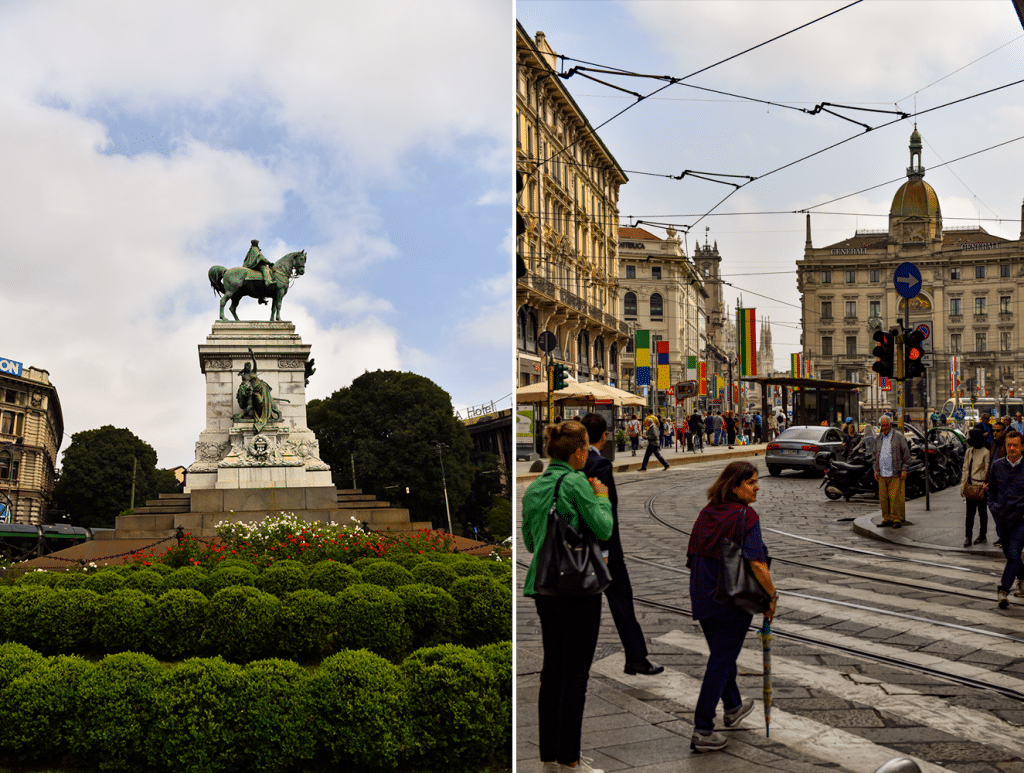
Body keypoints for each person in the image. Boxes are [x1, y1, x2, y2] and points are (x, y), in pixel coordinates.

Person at [522, 420, 613, 773]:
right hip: (578, 588)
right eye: (588, 448)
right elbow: (603, 528)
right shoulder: (577, 483)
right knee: (576, 675)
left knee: (553, 672)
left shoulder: (534, 487)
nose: (589, 454)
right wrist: (601, 499)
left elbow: (531, 543)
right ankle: (570, 760)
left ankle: (549, 758)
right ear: (578, 452)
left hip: (544, 586)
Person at [686, 461, 776, 753]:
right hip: (729, 598)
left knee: (721, 655)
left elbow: (693, 553)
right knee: (721, 661)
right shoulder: (745, 516)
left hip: (702, 593)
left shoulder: (708, 511)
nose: (756, 487)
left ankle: (734, 706)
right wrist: (771, 596)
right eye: (751, 482)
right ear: (735, 486)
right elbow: (757, 563)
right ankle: (702, 728)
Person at [581, 414, 664, 679]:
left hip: (579, 549)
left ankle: (572, 660)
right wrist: (606, 549)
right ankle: (636, 657)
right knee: (621, 602)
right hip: (606, 548)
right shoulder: (599, 464)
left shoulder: (575, 464)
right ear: (604, 436)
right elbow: (608, 508)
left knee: (581, 607)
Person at [987, 429, 1024, 608]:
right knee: (1011, 555)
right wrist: (993, 507)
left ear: (1022, 447)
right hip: (1002, 518)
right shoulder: (998, 466)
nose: (1012, 448)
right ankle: (1023, 581)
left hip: (1021, 519)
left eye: (1015, 445)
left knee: (1014, 553)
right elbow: (991, 490)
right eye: (1009, 445)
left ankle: (1003, 590)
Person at [871, 416, 911, 528]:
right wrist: (875, 470)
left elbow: (906, 455)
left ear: (890, 425)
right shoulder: (879, 438)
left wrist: (904, 469)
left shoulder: (899, 437)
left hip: (895, 473)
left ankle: (896, 519)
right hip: (882, 473)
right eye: (882, 426)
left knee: (895, 498)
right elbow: (874, 455)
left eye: (886, 425)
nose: (884, 428)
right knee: (883, 498)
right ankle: (887, 518)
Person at [961, 428, 990, 547]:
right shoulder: (969, 452)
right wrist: (962, 486)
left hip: (981, 486)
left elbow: (987, 470)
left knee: (982, 513)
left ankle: (982, 535)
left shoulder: (985, 452)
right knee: (969, 514)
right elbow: (965, 469)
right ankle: (968, 536)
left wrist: (984, 482)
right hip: (970, 486)